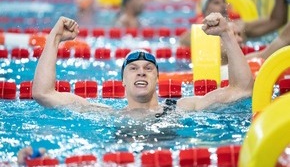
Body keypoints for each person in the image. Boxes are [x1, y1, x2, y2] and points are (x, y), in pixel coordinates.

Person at [20, 12, 252, 164]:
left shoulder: (182, 107)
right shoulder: (104, 113)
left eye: (148, 68)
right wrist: (55, 37)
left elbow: (242, 89)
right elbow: (42, 93)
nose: (141, 71)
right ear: (122, 80)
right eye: (133, 68)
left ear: (157, 78)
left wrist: (227, 34)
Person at [179, 0, 290, 47]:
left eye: (224, 2)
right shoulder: (193, 35)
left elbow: (276, 21)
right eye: (216, 3)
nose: (223, 5)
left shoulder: (239, 26)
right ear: (205, 11)